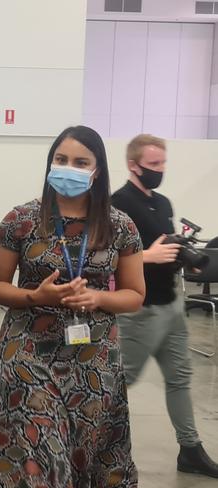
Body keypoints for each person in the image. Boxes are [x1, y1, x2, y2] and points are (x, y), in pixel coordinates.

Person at [0, 126, 145, 487]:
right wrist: (36, 296)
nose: (69, 167)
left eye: (81, 162)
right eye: (61, 160)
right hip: (28, 352)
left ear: (97, 170)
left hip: (93, 359)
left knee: (84, 449)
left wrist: (97, 298)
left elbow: (135, 294)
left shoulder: (120, 226)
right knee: (39, 444)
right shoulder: (20, 220)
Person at [111, 134, 218, 478]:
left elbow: (167, 252)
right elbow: (107, 258)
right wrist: (148, 255)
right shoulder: (118, 205)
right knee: (119, 382)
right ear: (134, 165)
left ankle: (190, 449)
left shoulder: (163, 203)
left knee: (180, 379)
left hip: (172, 305)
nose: (160, 170)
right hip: (139, 311)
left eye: (162, 163)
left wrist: (181, 258)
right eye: (153, 164)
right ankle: (92, 445)